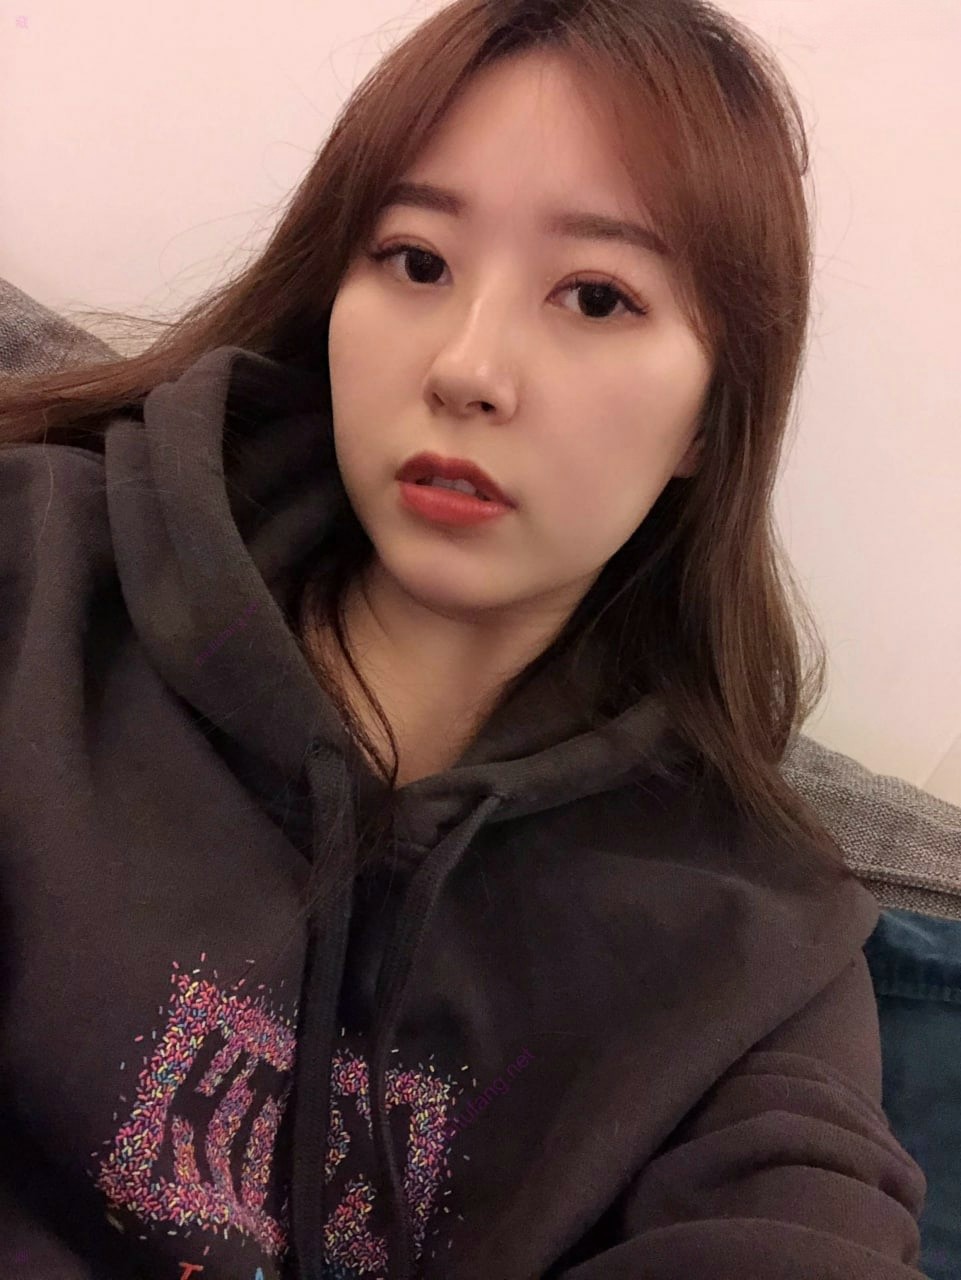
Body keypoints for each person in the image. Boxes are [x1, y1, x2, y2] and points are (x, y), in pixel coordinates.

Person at [0, 0, 929, 1277]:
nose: (468, 368)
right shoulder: (40, 574)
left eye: (596, 296)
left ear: (712, 418)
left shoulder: (759, 946)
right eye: (415, 261)